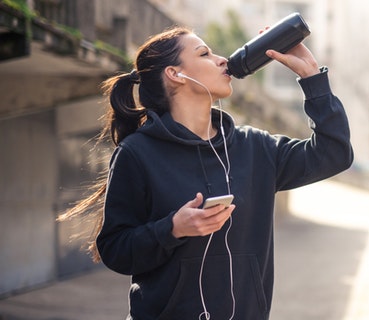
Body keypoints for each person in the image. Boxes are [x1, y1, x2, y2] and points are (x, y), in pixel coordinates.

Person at [59, 25, 353, 319]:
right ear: (175, 74)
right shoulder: (137, 154)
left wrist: (313, 78)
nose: (222, 59)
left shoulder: (256, 147)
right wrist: (173, 228)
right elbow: (115, 249)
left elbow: (334, 154)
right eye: (205, 53)